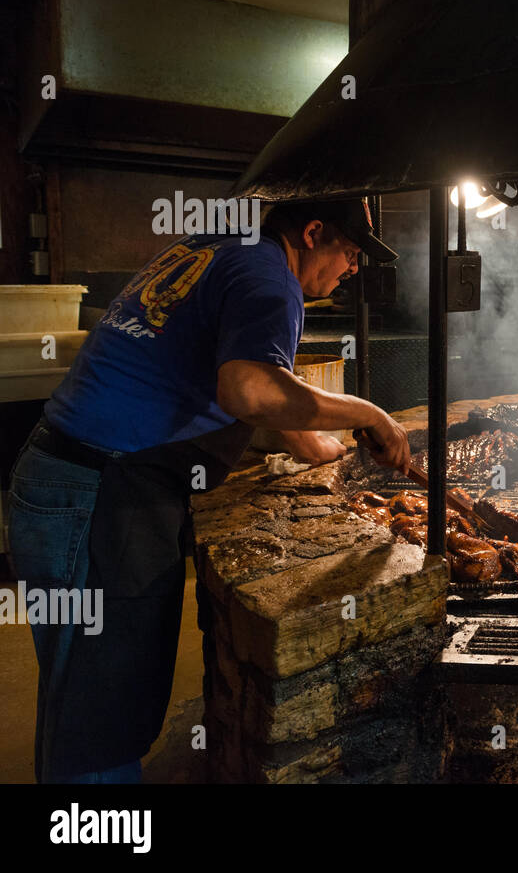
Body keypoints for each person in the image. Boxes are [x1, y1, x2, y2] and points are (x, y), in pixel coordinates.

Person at [7, 197, 410, 783]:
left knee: (78, 691)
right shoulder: (273, 281)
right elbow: (247, 388)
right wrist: (368, 413)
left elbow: (238, 366)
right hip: (96, 493)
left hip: (75, 481)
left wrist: (313, 443)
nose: (351, 269)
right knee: (101, 707)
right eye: (347, 252)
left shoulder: (219, 248)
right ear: (312, 231)